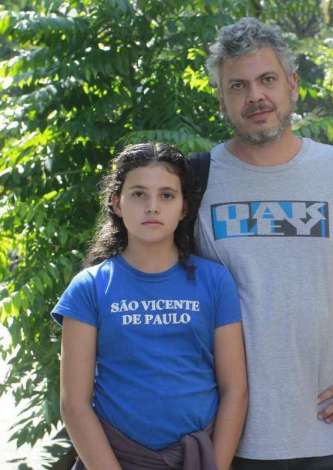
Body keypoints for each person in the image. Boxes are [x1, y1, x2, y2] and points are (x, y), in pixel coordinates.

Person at [196, 18, 333, 468]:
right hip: (227, 439)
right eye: (238, 85)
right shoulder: (194, 182)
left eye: (267, 80)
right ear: (221, 99)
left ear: (292, 85)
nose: (255, 95)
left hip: (330, 435)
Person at [54, 143, 247, 469]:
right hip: (113, 458)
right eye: (139, 194)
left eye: (167, 195)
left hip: (197, 459)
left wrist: (217, 465)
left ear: (185, 207)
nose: (152, 207)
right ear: (116, 203)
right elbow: (74, 404)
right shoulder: (89, 287)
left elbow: (235, 390)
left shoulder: (215, 281)